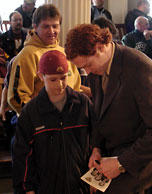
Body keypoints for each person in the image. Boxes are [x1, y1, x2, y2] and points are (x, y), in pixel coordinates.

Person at [65, 24, 152, 194]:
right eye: (82, 68)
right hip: (115, 148)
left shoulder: (140, 69)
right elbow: (99, 115)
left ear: (100, 47)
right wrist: (96, 148)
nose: (87, 71)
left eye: (87, 64)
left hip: (142, 156)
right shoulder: (97, 70)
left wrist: (121, 163)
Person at [13, 50, 94, 194]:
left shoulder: (83, 104)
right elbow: (22, 154)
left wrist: (96, 178)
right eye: (53, 80)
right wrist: (27, 188)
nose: (60, 85)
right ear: (41, 76)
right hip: (46, 186)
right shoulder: (31, 112)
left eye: (63, 78)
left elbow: (97, 142)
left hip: (82, 184)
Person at [8, 4, 81, 114]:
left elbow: (76, 88)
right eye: (46, 26)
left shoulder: (64, 53)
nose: (51, 31)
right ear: (35, 27)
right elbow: (17, 97)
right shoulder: (27, 55)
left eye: (55, 26)